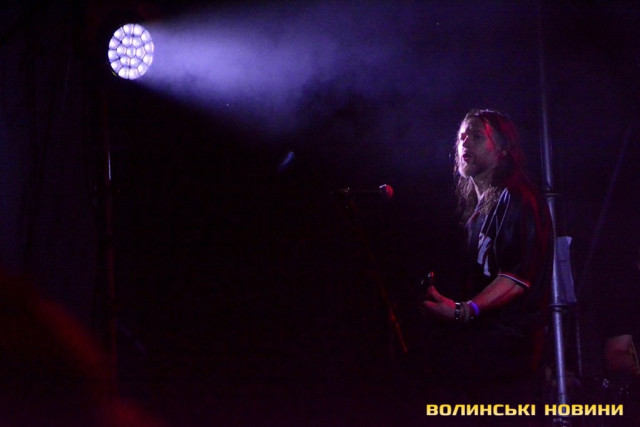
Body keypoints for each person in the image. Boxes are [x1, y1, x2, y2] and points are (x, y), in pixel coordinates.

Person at [418, 109, 554, 407]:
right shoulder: (478, 211)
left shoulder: (516, 197)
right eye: (462, 136)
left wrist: (463, 311)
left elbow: (516, 278)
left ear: (504, 149)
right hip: (483, 355)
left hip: (508, 359)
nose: (465, 142)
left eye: (477, 136)